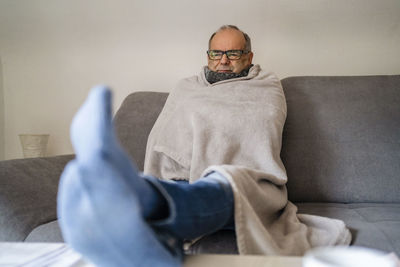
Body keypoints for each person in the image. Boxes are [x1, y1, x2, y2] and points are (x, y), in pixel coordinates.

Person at [58, 25, 351, 267]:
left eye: (233, 53)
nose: (223, 60)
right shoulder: (187, 86)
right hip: (180, 177)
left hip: (249, 180)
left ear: (248, 57)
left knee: (226, 184)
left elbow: (259, 129)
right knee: (184, 186)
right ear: (208, 55)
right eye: (216, 53)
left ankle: (137, 202)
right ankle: (142, 201)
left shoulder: (266, 85)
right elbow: (163, 137)